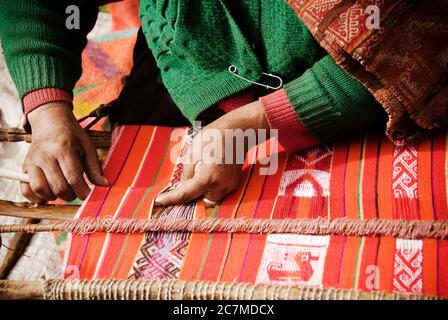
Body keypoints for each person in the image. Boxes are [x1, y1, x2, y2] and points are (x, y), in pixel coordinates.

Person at [2, 0, 435, 207]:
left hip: (355, 72)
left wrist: (253, 124)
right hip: (188, 44)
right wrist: (48, 108)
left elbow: (424, 43)